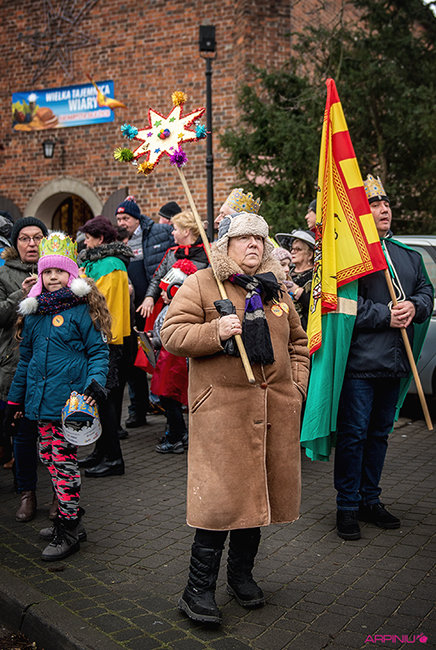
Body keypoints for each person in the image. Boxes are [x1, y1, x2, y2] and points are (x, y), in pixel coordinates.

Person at [161, 211, 310, 625]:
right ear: (225, 245)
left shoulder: (275, 290)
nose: (254, 245)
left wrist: (295, 389)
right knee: (219, 504)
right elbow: (171, 334)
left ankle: (241, 577)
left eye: (259, 239)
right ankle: (197, 591)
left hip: (272, 413)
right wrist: (216, 331)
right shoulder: (202, 283)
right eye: (244, 238)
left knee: (256, 497)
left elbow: (298, 344)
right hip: (222, 416)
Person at [334, 175, 433, 541]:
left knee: (379, 435)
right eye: (374, 204)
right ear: (363, 212)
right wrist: (384, 315)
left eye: (386, 203)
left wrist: (415, 306)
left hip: (395, 364)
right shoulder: (353, 258)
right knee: (354, 436)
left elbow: (426, 292)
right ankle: (347, 505)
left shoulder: (410, 256)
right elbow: (341, 305)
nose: (384, 209)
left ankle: (369, 500)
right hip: (360, 364)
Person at [6, 232, 110, 560]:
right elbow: (26, 361)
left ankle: (68, 529)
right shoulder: (34, 314)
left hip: (69, 404)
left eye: (60, 271)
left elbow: (98, 352)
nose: (53, 277)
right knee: (48, 459)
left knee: (63, 464)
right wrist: (14, 400)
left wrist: (94, 383)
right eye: (47, 271)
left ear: (72, 274)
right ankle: (71, 516)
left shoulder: (81, 310)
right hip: (40, 404)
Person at [0, 216, 48, 522]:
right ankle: (26, 492)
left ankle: (61, 496)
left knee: (55, 436)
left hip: (52, 366)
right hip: (16, 365)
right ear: (15, 243)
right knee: (22, 434)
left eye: (37, 237)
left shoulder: (58, 269)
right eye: (24, 238)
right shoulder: (4, 274)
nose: (31, 244)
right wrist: (22, 294)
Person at [77, 216, 133, 477]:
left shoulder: (110, 265)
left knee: (106, 401)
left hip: (107, 339)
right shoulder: (99, 263)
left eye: (88, 238)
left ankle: (114, 458)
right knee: (100, 401)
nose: (85, 243)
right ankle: (101, 452)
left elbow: (100, 301)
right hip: (101, 338)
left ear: (100, 239)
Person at [116, 195, 174, 428]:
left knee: (161, 358)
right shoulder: (118, 240)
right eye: (119, 219)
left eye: (126, 218)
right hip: (131, 310)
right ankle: (137, 410)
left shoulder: (158, 232)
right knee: (134, 362)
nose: (122, 223)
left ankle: (169, 411)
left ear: (137, 218)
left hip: (155, 307)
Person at [149, 260, 198, 454]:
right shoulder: (169, 307)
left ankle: (175, 437)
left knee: (170, 400)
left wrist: (154, 340)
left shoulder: (176, 310)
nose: (161, 294)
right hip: (167, 360)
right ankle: (178, 433)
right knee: (169, 400)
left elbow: (168, 334)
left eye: (164, 290)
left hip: (173, 362)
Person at [140, 209, 209, 318]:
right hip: (171, 310)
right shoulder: (171, 253)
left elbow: (207, 287)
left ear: (186, 232)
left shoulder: (208, 254)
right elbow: (158, 277)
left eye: (175, 229)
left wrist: (175, 295)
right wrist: (150, 296)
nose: (172, 232)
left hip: (197, 312)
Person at [276, 230, 315, 331]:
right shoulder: (285, 271)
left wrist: (297, 291)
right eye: (292, 248)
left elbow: (318, 305)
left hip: (306, 328)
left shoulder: (316, 275)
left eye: (298, 249)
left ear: (310, 255)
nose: (293, 251)